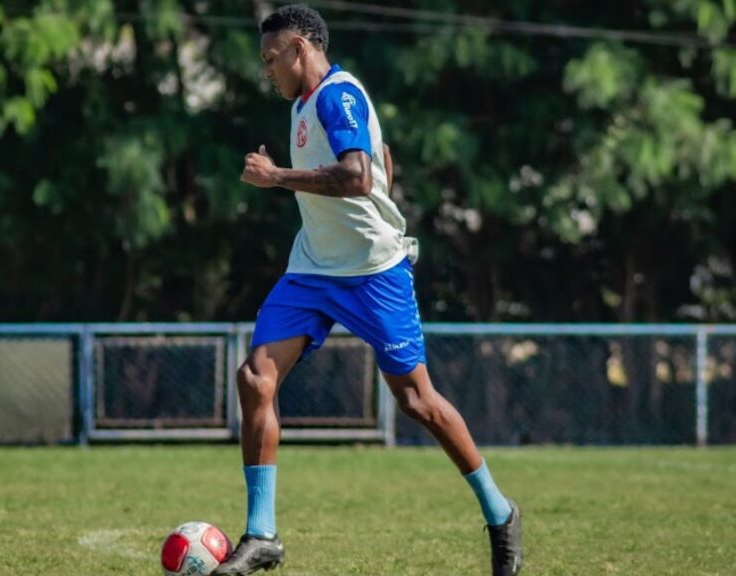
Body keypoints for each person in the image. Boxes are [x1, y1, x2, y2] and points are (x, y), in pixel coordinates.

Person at [215, 5, 522, 575]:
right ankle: (262, 535)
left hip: (375, 272)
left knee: (418, 403)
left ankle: (500, 513)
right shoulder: (305, 103)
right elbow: (379, 161)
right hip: (312, 269)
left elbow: (358, 175)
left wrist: (277, 177)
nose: (267, 71)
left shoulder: (338, 93)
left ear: (300, 48)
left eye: (271, 58)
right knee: (255, 377)